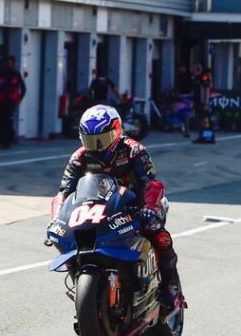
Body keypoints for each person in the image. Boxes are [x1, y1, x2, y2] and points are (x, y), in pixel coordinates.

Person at [54, 105, 185, 309]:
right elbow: (64, 192)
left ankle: (170, 285)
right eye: (89, 140)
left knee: (157, 233)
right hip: (99, 210)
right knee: (69, 238)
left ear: (116, 131)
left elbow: (151, 184)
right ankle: (86, 286)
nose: (96, 147)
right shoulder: (79, 158)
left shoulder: (134, 150)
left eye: (101, 140)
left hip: (138, 206)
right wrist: (57, 218)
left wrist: (149, 209)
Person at [0, 55, 26, 149]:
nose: (9, 65)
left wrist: (19, 98)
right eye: (7, 63)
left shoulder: (16, 74)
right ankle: (1, 140)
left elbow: (23, 88)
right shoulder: (0, 74)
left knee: (8, 120)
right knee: (1, 120)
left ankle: (8, 140)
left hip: (11, 101)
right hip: (1, 100)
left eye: (10, 63)